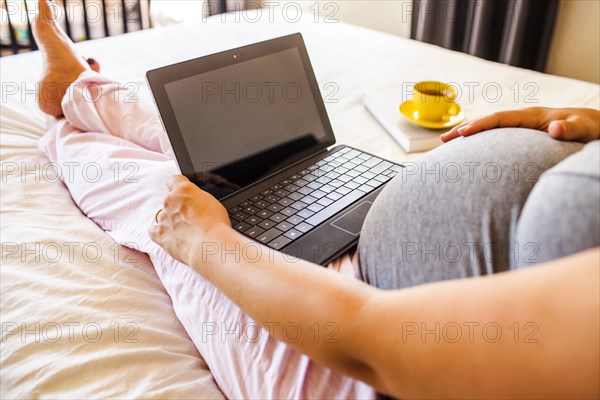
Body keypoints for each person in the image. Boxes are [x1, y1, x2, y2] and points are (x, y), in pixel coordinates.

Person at [32, 1, 599, 398]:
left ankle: (68, 115)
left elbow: (374, 345)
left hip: (363, 348)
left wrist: (207, 244)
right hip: (375, 233)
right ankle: (83, 90)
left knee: (163, 193)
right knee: (219, 152)